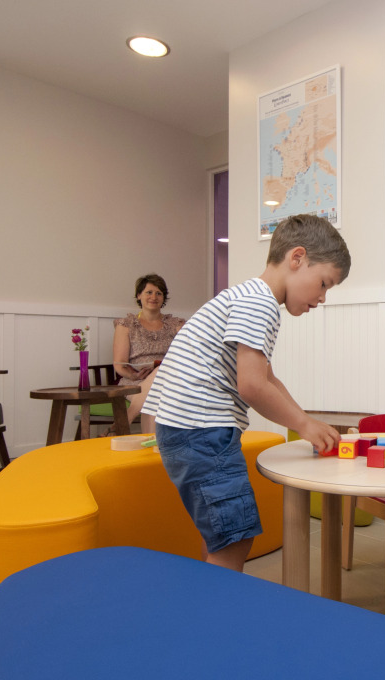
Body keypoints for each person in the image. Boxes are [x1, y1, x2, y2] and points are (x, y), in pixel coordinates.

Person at [143, 214, 350, 572]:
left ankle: (214, 594)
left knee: (222, 534)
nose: (322, 297)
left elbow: (267, 377)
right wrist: (303, 425)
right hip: (202, 433)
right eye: (323, 283)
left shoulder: (245, 296)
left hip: (188, 430)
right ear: (297, 258)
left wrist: (306, 420)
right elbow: (252, 385)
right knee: (234, 538)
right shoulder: (260, 303)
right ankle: (220, 606)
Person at [112, 273, 186, 434]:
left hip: (170, 380)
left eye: (159, 293)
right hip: (136, 382)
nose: (154, 297)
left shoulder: (176, 325)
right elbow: (119, 363)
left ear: (163, 298)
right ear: (139, 295)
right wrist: (133, 376)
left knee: (160, 370)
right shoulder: (126, 325)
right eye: (149, 292)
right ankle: (152, 445)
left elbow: (186, 356)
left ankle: (124, 421)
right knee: (155, 397)